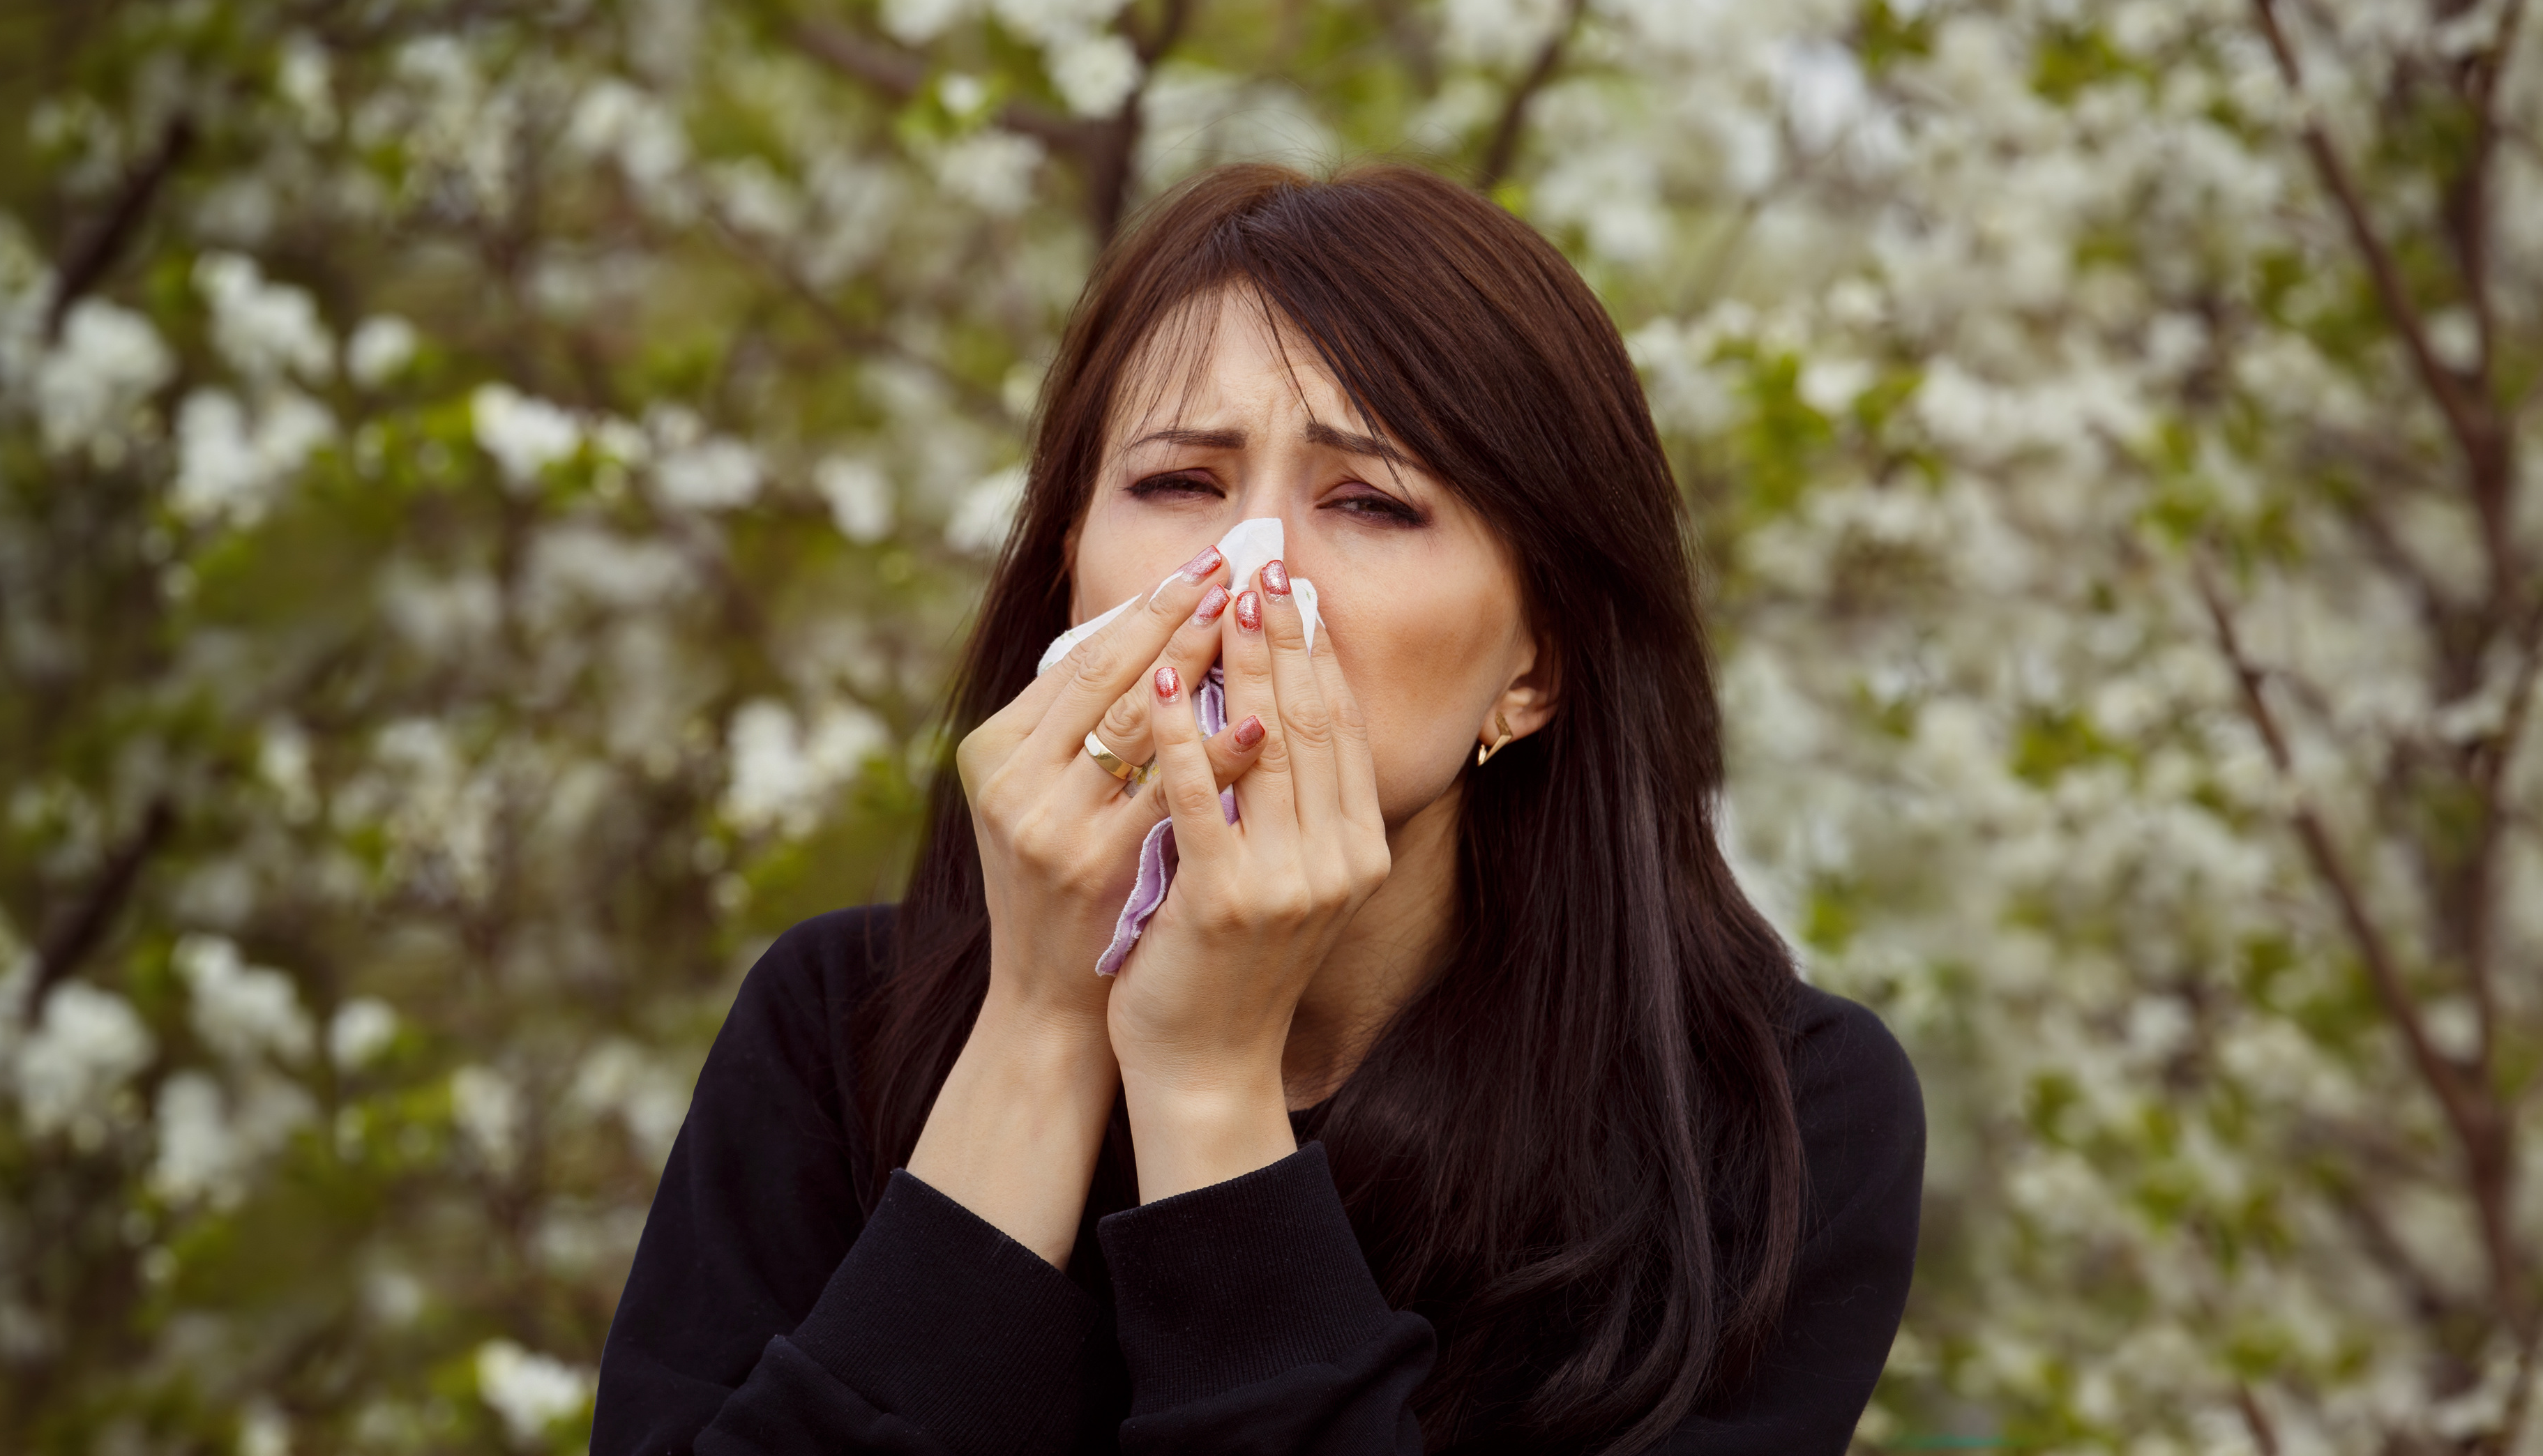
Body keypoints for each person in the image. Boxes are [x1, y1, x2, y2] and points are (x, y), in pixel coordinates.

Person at [592, 162, 1924, 1456]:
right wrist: (1045, 1026)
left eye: (1372, 503)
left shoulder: (1767, 1124)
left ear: (1536, 666)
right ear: (1067, 568)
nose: (1249, 570)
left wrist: (1212, 1084)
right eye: (1178, 484)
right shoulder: (836, 1026)